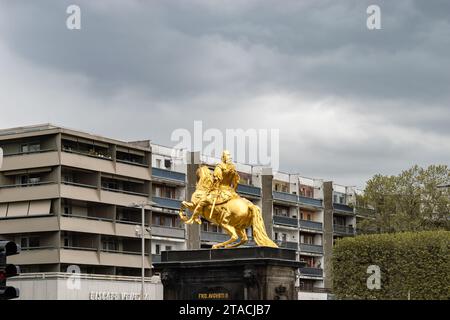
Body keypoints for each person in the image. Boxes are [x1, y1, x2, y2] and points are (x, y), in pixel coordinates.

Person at [187, 150, 240, 224]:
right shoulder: (233, 168)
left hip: (220, 190)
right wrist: (233, 190)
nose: (229, 157)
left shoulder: (220, 167)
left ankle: (194, 218)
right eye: (228, 155)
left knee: (202, 201)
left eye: (229, 155)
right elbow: (236, 182)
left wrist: (211, 188)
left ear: (223, 158)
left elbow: (216, 180)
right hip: (231, 192)